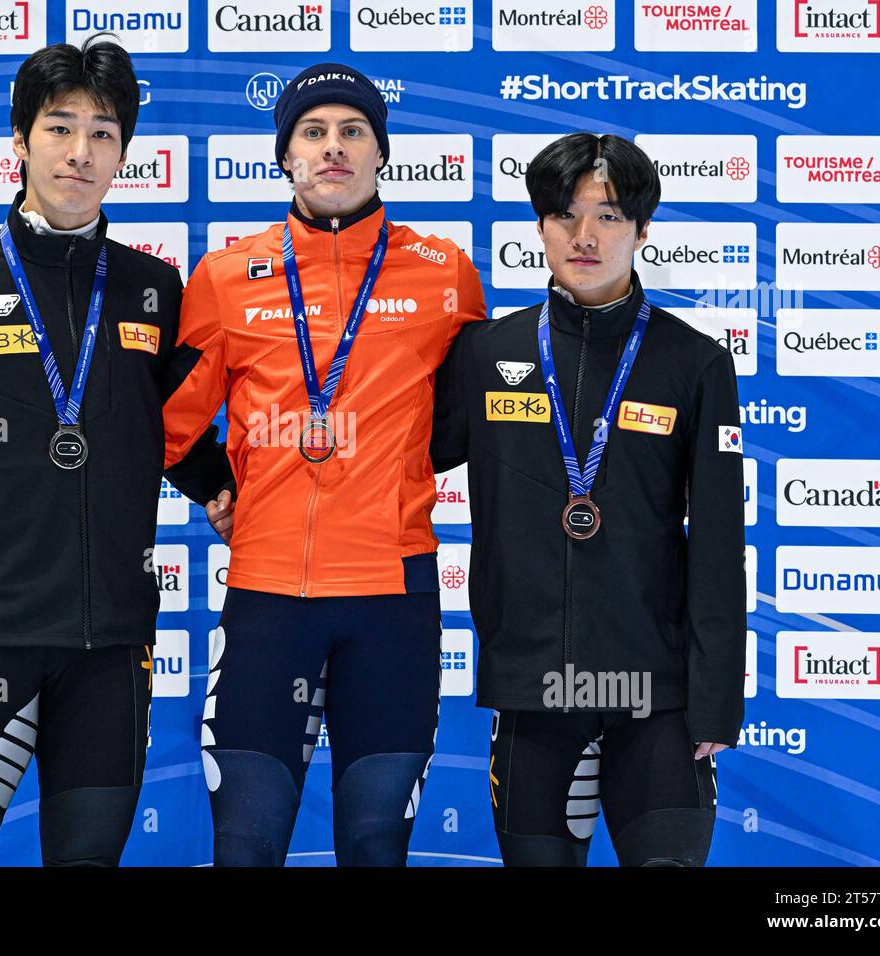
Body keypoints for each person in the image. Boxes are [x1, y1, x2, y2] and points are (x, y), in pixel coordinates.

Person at [0, 36, 230, 867]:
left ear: (125, 155)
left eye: (103, 134)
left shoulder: (151, 288)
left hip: (110, 652)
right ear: (21, 140)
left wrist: (220, 487)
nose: (80, 152)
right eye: (59, 127)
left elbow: (166, 427)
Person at [163, 63, 487, 866]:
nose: (332, 148)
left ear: (382, 153)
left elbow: (470, 421)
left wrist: (397, 460)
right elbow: (166, 423)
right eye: (313, 132)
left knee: (377, 849)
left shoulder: (445, 274)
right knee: (246, 845)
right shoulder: (226, 277)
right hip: (269, 598)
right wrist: (217, 484)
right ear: (285, 157)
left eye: (352, 132)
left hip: (393, 600)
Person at [430, 133, 746, 867]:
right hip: (535, 692)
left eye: (607, 216)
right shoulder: (484, 354)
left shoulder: (694, 362)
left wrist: (716, 696)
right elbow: (396, 457)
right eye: (565, 215)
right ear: (538, 226)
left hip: (657, 697)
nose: (584, 236)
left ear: (642, 229)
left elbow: (721, 541)